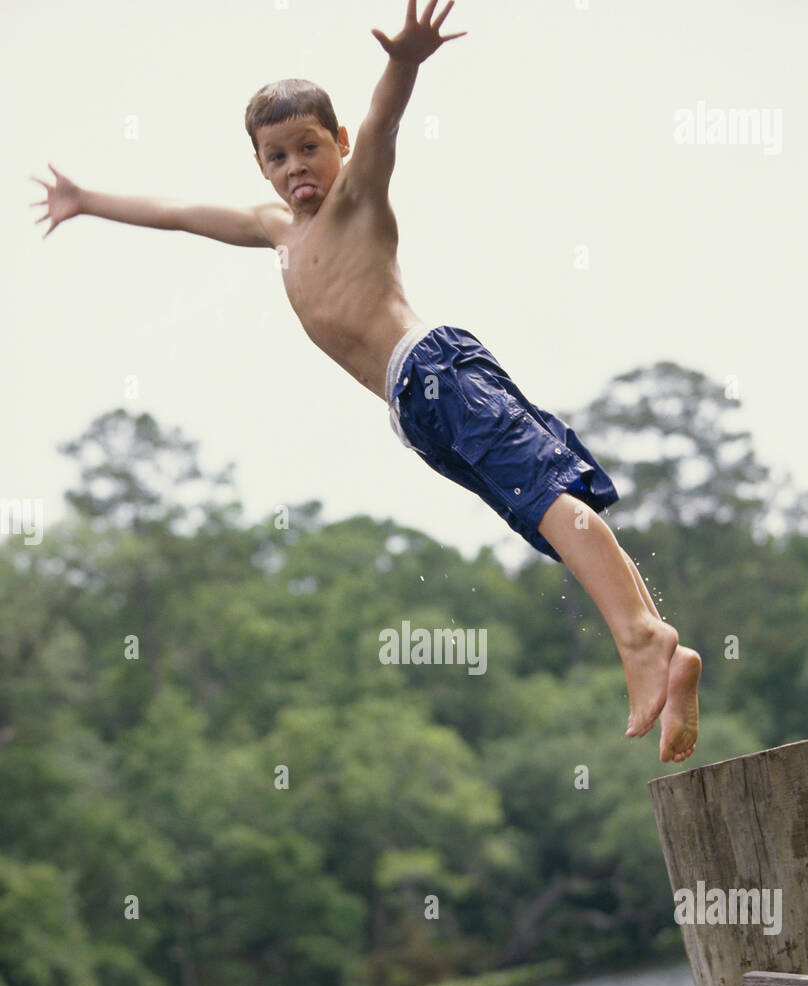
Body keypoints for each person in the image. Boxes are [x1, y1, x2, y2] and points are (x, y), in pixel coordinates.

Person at [32, 0, 701, 761]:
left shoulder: (356, 198)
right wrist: (87, 201)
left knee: (543, 493)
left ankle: (642, 639)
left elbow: (384, 126)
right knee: (535, 510)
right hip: (414, 413)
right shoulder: (274, 230)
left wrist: (404, 61)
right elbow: (180, 212)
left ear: (337, 144)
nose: (296, 169)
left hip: (434, 371)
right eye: (277, 157)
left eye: (309, 148)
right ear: (260, 167)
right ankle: (657, 640)